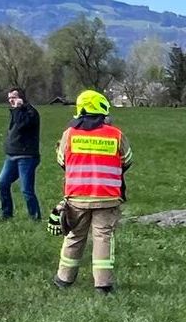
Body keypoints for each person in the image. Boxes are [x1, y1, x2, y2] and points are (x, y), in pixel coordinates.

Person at [52, 89, 133, 294]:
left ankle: (64, 278)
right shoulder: (116, 134)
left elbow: (62, 160)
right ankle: (103, 284)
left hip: (77, 196)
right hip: (107, 197)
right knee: (103, 237)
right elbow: (127, 160)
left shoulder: (69, 134)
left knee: (74, 235)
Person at [0, 87, 42, 221]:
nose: (11, 100)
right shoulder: (16, 112)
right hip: (11, 156)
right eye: (9, 98)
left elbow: (21, 125)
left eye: (14, 97)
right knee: (2, 184)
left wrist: (18, 108)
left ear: (22, 98)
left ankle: (35, 217)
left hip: (27, 157)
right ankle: (6, 214)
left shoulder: (30, 113)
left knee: (26, 190)